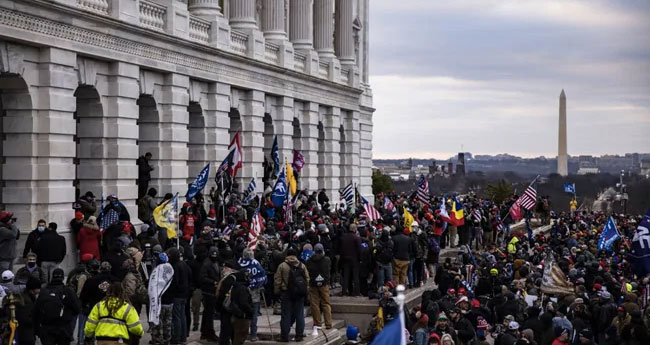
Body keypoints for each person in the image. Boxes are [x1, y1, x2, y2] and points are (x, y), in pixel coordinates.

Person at [33, 268, 81, 345]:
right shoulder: (68, 291)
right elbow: (77, 309)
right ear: (62, 278)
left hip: (47, 328)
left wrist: (37, 330)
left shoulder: (44, 291)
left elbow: (36, 311)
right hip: (64, 328)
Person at [274, 247, 310, 342]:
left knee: (286, 315)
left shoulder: (282, 266)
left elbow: (277, 280)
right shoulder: (302, 265)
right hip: (299, 294)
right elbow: (307, 279)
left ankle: (284, 336)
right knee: (299, 315)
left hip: (286, 293)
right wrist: (306, 292)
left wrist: (277, 292)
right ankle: (299, 335)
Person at [237, 248, 267, 342]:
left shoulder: (239, 263)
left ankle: (241, 334)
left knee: (242, 313)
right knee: (254, 315)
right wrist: (260, 284)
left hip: (242, 293)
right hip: (254, 292)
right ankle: (253, 334)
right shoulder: (256, 264)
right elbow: (263, 276)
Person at [5, 276, 41, 345]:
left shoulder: (30, 297)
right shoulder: (26, 301)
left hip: (27, 333)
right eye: (38, 288)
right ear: (32, 289)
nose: (39, 290)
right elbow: (25, 319)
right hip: (25, 336)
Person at [166, 247, 191, 345]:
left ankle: (176, 338)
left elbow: (175, 282)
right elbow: (189, 276)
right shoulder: (184, 264)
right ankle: (183, 337)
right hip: (184, 294)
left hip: (177, 295)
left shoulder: (175, 266)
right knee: (182, 316)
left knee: (177, 317)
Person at [306, 243, 332, 330]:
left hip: (313, 284)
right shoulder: (327, 260)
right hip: (324, 284)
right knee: (326, 304)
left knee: (315, 304)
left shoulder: (309, 261)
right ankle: (328, 323)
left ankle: (317, 323)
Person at [199, 247, 220, 341]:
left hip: (213, 291)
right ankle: (209, 333)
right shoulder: (206, 264)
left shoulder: (215, 262)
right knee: (209, 313)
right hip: (208, 292)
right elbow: (202, 277)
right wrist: (213, 282)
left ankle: (204, 332)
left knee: (207, 313)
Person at [339, 223, 361, 296]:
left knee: (346, 277)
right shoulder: (356, 238)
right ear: (355, 229)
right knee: (355, 277)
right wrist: (360, 259)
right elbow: (359, 250)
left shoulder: (343, 237)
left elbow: (341, 249)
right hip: (354, 260)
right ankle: (357, 293)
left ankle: (344, 292)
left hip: (345, 259)